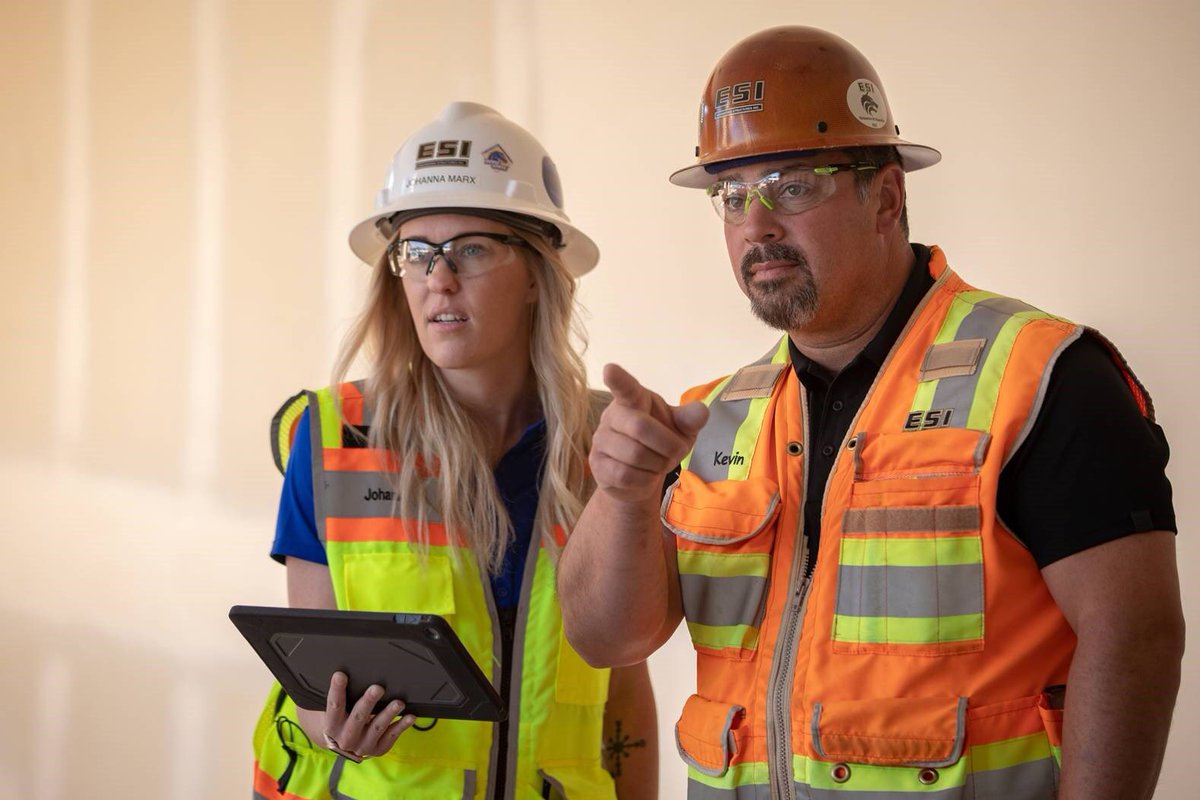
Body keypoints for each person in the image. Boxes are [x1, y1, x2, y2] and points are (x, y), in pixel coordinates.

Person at [557, 26, 1183, 800]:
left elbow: (1136, 639)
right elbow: (605, 636)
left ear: (885, 196)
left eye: (793, 185)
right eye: (732, 194)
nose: (757, 223)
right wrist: (621, 495)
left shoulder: (1042, 376)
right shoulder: (710, 419)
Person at [251, 102, 658, 800]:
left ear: (536, 276)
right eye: (416, 252)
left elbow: (622, 687)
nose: (438, 278)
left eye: (471, 248)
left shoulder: (606, 448)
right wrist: (334, 725)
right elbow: (312, 681)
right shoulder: (329, 439)